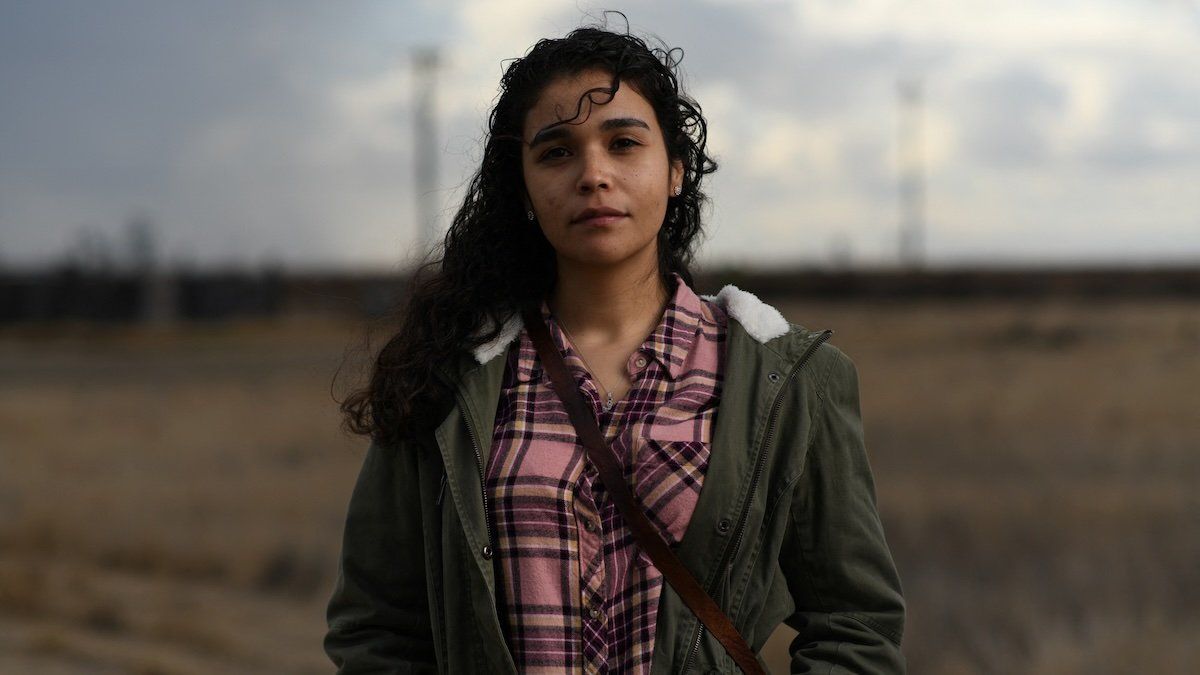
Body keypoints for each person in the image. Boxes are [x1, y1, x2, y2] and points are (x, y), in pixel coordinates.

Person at [325, 14, 906, 674]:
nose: (593, 174)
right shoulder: (446, 377)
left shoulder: (790, 380)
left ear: (677, 170)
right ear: (524, 190)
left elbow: (855, 624)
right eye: (556, 151)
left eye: (623, 143)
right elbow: (375, 627)